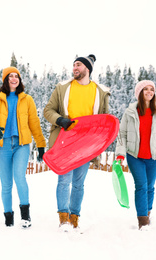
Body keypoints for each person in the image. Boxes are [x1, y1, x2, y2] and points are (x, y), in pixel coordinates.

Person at [43, 54, 110, 231]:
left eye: (78, 65)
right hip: (65, 140)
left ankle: (74, 218)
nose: (75, 68)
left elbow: (104, 120)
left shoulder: (99, 92)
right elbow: (48, 110)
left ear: (88, 69)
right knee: (64, 180)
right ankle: (63, 218)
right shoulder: (63, 88)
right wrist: (60, 120)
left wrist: (99, 143)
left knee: (79, 184)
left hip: (86, 144)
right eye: (73, 65)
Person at [0, 66, 46, 228]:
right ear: (5, 80)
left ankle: (25, 216)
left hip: (21, 145)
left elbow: (34, 123)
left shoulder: (27, 100)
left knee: (20, 177)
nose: (14, 79)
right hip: (2, 145)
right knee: (6, 184)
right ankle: (8, 218)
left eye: (16, 76)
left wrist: (40, 145)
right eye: (10, 76)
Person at [115, 80, 156, 230]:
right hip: (135, 157)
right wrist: (120, 154)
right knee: (141, 186)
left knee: (150, 187)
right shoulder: (130, 112)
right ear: (139, 92)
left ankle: (147, 212)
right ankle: (143, 221)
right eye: (145, 89)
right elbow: (122, 134)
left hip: (154, 157)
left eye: (151, 89)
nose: (149, 92)